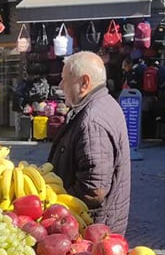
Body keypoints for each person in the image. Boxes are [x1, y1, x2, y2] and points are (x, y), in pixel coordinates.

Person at [47, 52, 131, 236]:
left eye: (64, 80)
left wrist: (57, 203)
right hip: (101, 224)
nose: (60, 86)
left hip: (91, 229)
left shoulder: (92, 120)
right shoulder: (103, 103)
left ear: (84, 83)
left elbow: (94, 189)